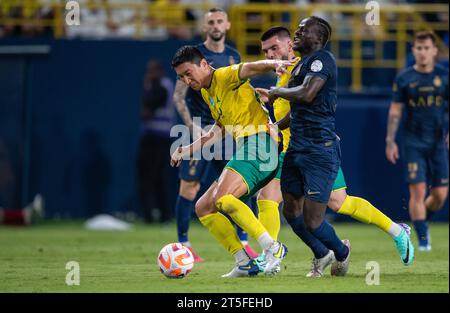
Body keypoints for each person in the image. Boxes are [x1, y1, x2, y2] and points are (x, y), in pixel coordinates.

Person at [256, 26, 415, 277]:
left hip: (316, 147)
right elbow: (296, 111)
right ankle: (279, 254)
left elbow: (311, 98)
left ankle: (394, 231)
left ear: (289, 45)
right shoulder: (289, 70)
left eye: (275, 48)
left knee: (337, 203)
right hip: (292, 147)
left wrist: (277, 102)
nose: (271, 54)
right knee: (271, 199)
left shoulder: (312, 64)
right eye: (266, 51)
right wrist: (274, 126)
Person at [171, 45, 292, 277]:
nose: (186, 80)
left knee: (224, 198)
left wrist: (272, 64)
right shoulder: (207, 92)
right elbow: (220, 128)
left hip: (260, 144)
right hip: (249, 149)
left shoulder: (224, 76)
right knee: (203, 207)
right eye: (181, 77)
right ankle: (243, 261)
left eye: (188, 73)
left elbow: (248, 68)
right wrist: (187, 149)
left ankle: (273, 248)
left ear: (204, 64)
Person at [172, 8, 258, 262]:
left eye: (220, 21)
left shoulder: (234, 55)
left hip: (227, 129)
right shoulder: (194, 56)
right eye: (211, 22)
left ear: (228, 25)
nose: (216, 25)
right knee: (189, 187)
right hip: (198, 127)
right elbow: (178, 96)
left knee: (238, 186)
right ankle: (184, 244)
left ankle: (244, 242)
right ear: (204, 26)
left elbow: (243, 88)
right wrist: (191, 126)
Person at [386, 30, 448, 252]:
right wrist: (390, 141)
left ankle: (423, 221)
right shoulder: (404, 78)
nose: (422, 52)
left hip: (437, 142)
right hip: (413, 141)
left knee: (440, 195)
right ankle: (423, 240)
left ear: (434, 51)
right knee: (418, 191)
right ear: (414, 51)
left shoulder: (444, 76)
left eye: (426, 48)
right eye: (418, 48)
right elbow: (395, 111)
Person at [137, 59, 175, 223]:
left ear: (160, 71)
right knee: (156, 178)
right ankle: (159, 214)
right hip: (158, 136)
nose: (149, 74)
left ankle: (154, 215)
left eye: (152, 71)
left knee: (151, 178)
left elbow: (148, 107)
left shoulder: (161, 86)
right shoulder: (163, 85)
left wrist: (147, 88)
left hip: (157, 137)